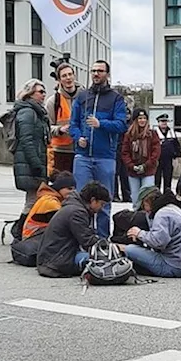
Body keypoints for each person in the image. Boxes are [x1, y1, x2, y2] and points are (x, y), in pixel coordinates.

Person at [69, 60, 128, 237]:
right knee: (80, 200)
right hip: (83, 156)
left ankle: (102, 240)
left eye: (100, 71)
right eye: (93, 70)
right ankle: (81, 238)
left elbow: (121, 125)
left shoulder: (116, 98)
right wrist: (78, 137)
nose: (96, 74)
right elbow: (73, 123)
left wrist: (100, 123)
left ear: (107, 74)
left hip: (105, 156)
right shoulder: (82, 96)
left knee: (104, 201)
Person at [7, 78, 52, 241]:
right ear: (30, 94)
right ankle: (20, 231)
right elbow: (27, 140)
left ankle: (23, 230)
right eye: (40, 92)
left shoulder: (35, 111)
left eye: (44, 91)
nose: (43, 95)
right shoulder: (28, 112)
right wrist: (36, 164)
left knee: (33, 198)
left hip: (31, 161)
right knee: (32, 199)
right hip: (29, 163)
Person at [36, 181, 111, 278]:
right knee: (103, 259)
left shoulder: (74, 207)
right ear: (93, 200)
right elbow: (87, 240)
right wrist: (113, 247)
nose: (101, 208)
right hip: (57, 261)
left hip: (52, 258)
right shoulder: (77, 213)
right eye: (102, 204)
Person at [123, 188, 181, 278]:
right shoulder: (172, 208)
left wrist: (139, 233)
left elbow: (159, 242)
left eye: (143, 205)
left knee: (129, 249)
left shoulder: (161, 214)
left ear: (147, 201)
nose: (144, 210)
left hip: (173, 266)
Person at [120, 109, 161, 207]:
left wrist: (146, 165)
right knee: (135, 198)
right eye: (140, 118)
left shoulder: (152, 134)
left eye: (144, 118)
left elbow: (156, 152)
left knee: (148, 196)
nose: (142, 120)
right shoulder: (129, 135)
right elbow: (125, 152)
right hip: (133, 171)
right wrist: (131, 165)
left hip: (148, 170)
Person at [20, 171, 76, 241]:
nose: (73, 192)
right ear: (59, 188)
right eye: (69, 189)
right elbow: (62, 224)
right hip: (32, 238)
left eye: (74, 189)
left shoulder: (52, 197)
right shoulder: (51, 202)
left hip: (33, 236)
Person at [46, 62, 80, 176]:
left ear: (74, 76)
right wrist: (60, 129)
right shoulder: (53, 101)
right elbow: (46, 127)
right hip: (61, 152)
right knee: (63, 188)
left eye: (70, 74)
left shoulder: (85, 97)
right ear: (59, 80)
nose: (68, 78)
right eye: (64, 76)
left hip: (82, 150)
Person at [155, 114, 180, 191]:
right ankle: (157, 196)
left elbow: (176, 144)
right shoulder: (154, 132)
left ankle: (167, 195)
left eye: (165, 121)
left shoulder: (171, 132)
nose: (164, 123)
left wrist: (177, 154)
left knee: (168, 178)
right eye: (162, 121)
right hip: (157, 160)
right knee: (157, 179)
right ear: (158, 122)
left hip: (168, 159)